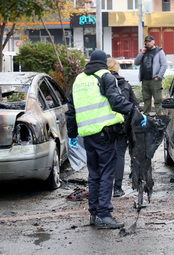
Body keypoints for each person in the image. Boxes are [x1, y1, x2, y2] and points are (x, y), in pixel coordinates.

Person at [66, 50, 146, 229]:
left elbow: (71, 110)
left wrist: (72, 134)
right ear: (104, 62)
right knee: (106, 174)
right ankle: (104, 214)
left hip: (88, 135)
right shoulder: (106, 76)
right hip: (105, 134)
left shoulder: (79, 80)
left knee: (94, 175)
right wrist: (137, 113)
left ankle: (94, 214)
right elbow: (116, 102)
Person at [107, 58, 139, 197]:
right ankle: (118, 188)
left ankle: (104, 188)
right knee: (120, 155)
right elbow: (134, 105)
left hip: (105, 126)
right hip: (122, 125)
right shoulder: (125, 84)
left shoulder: (100, 83)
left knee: (105, 156)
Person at [134, 35, 167, 116]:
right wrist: (141, 53)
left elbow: (164, 65)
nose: (148, 43)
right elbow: (136, 62)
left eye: (149, 41)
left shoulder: (159, 51)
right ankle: (146, 115)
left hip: (155, 80)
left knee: (157, 99)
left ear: (153, 42)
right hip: (145, 80)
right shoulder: (143, 52)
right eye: (146, 42)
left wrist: (159, 76)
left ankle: (159, 116)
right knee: (146, 99)